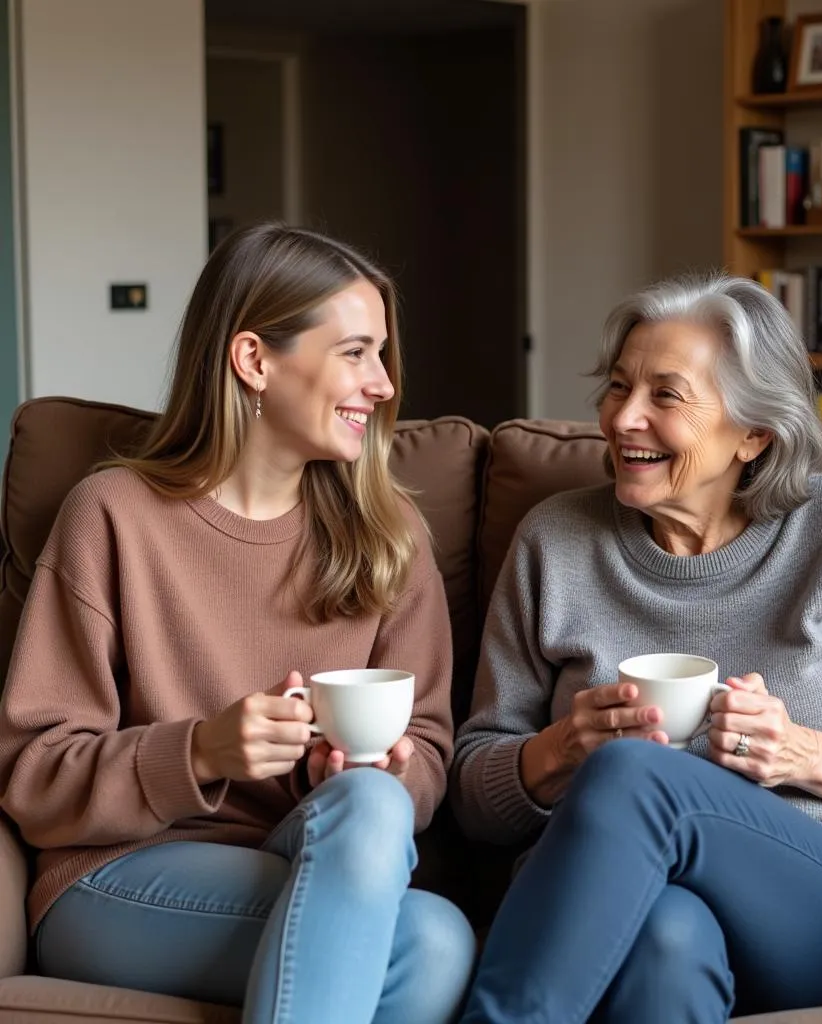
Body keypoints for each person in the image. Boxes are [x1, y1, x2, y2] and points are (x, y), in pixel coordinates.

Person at [450, 273, 822, 1023]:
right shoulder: (554, 540)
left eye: (665, 396)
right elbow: (473, 796)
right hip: (624, 913)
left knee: (636, 774)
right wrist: (556, 751)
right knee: (666, 940)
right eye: (617, 387)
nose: (621, 419)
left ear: (754, 433)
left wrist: (805, 755)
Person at [0, 224, 475, 1024]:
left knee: (418, 898)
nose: (385, 384)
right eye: (356, 353)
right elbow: (33, 773)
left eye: (383, 355)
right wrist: (203, 749)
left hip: (315, 863)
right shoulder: (113, 516)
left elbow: (427, 750)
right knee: (426, 945)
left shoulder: (387, 536)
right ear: (254, 360)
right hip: (120, 878)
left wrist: (381, 771)